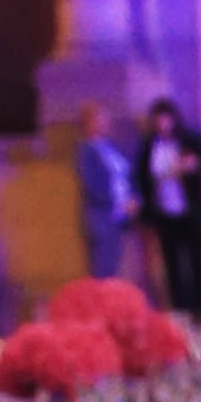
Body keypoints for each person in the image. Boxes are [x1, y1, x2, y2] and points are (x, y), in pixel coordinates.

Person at [134, 95, 201, 320]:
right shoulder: (148, 147)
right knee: (173, 270)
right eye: (158, 120)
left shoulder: (190, 140)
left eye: (166, 119)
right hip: (166, 217)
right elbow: (142, 180)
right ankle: (180, 318)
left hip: (194, 215)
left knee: (198, 266)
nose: (162, 124)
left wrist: (193, 165)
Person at [69, 100, 139, 281]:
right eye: (99, 119)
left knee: (113, 268)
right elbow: (92, 185)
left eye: (105, 119)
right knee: (102, 270)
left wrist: (133, 198)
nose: (104, 123)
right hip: (100, 218)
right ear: (87, 123)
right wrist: (119, 203)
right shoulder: (85, 151)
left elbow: (126, 176)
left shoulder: (109, 148)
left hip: (116, 217)